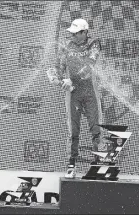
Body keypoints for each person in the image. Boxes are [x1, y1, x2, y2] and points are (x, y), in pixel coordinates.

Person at [48, 18, 102, 178]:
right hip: (73, 93)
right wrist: (57, 79)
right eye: (71, 33)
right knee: (73, 131)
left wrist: (72, 79)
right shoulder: (66, 45)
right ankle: (71, 165)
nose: (72, 36)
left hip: (90, 91)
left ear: (85, 32)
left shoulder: (94, 43)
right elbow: (59, 67)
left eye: (75, 33)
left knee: (96, 129)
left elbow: (89, 66)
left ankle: (99, 165)